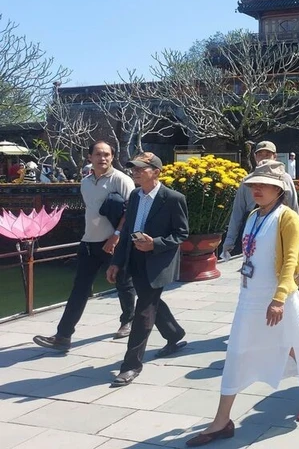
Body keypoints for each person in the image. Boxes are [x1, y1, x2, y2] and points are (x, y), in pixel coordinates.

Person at [185, 162, 299, 447]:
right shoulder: (252, 216)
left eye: (263, 185)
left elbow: (291, 261)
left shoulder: (287, 217)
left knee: (297, 346)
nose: (256, 190)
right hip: (250, 296)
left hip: (280, 297)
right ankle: (222, 420)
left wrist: (279, 298)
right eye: (253, 185)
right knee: (236, 351)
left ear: (279, 188)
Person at [33, 140, 137, 352]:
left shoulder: (121, 180)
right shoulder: (86, 182)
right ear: (90, 157)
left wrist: (116, 236)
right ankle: (63, 336)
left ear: (112, 157)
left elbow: (132, 212)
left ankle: (129, 320)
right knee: (79, 289)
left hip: (113, 242)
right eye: (98, 154)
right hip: (89, 242)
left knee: (123, 283)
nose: (103, 158)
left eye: (107, 154)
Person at [106, 152, 188, 387]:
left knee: (143, 312)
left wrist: (155, 244)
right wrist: (116, 262)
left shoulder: (173, 198)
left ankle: (130, 365)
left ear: (156, 172)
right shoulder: (134, 195)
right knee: (150, 302)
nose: (136, 172)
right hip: (134, 258)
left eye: (142, 168)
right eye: (134, 168)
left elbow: (181, 233)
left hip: (158, 261)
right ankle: (174, 334)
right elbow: (128, 229)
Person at [221, 141, 299, 261]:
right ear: (255, 157)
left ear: (275, 156)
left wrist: (297, 238)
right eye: (260, 154)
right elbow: (237, 211)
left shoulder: (285, 178)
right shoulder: (247, 180)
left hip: (279, 227)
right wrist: (229, 242)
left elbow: (294, 208)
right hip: (252, 229)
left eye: (268, 154)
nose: (264, 157)